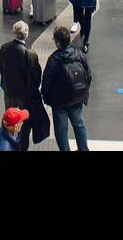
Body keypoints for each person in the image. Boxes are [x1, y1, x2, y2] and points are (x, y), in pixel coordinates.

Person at [42, 23, 91, 151]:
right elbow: (88, 75)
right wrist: (83, 93)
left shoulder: (54, 59)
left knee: (61, 131)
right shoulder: (79, 54)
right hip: (77, 98)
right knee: (79, 125)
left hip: (59, 103)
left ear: (58, 43)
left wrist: (48, 99)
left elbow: (46, 82)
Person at [0, 21, 42, 152]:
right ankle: (22, 147)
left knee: (9, 117)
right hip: (25, 94)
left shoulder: (4, 48)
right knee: (24, 122)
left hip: (9, 90)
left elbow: (1, 69)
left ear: (14, 32)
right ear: (26, 34)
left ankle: (6, 140)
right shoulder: (30, 54)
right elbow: (36, 77)